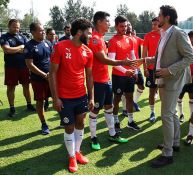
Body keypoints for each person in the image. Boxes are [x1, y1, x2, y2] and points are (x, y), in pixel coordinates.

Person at [150, 5, 193, 168]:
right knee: (172, 113)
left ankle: (167, 153)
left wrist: (169, 70)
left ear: (167, 17)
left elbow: (190, 57)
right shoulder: (164, 33)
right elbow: (163, 55)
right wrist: (151, 60)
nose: (157, 18)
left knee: (167, 115)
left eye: (159, 15)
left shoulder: (178, 32)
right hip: (164, 79)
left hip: (173, 79)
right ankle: (174, 142)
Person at [49, 18, 94, 173]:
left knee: (80, 123)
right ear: (80, 32)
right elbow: (52, 73)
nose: (90, 36)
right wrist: (55, 98)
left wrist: (91, 97)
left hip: (81, 95)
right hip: (65, 97)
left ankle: (77, 152)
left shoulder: (88, 51)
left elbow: (89, 76)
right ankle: (71, 156)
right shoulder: (60, 46)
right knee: (69, 127)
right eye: (88, 33)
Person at [87, 11, 132, 150]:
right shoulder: (95, 39)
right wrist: (122, 62)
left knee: (109, 107)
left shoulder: (100, 38)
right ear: (99, 22)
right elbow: (103, 59)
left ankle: (112, 134)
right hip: (98, 81)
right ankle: (93, 137)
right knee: (95, 110)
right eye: (107, 21)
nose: (109, 24)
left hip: (106, 80)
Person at [108, 15, 141, 132]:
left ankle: (130, 121)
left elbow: (133, 56)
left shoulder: (130, 39)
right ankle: (116, 121)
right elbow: (112, 61)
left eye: (126, 26)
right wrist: (125, 71)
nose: (124, 28)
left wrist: (135, 71)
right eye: (121, 26)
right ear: (116, 26)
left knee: (130, 98)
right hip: (118, 75)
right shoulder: (113, 41)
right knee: (116, 99)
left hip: (130, 75)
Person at [0, 19, 35, 117]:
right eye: (14, 27)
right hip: (11, 67)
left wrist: (16, 49)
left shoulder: (23, 36)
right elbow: (6, 50)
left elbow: (27, 49)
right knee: (11, 88)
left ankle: (29, 105)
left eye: (18, 27)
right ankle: (12, 108)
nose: (16, 29)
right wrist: (20, 47)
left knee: (26, 86)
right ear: (9, 26)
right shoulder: (4, 37)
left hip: (24, 66)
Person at [24, 22, 52, 135]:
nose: (43, 32)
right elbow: (30, 65)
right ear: (33, 32)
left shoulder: (48, 43)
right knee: (40, 101)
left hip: (51, 77)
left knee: (57, 97)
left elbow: (52, 59)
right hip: (38, 79)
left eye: (43, 30)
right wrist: (44, 75)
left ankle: (63, 120)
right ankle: (44, 124)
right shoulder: (29, 46)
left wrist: (52, 73)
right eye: (40, 30)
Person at [177, 30, 193, 124]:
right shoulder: (181, 48)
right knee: (179, 97)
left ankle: (192, 117)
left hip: (191, 78)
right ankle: (181, 114)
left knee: (192, 98)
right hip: (181, 78)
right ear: (190, 38)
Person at [121, 21, 144, 114]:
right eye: (126, 25)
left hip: (136, 67)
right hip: (126, 67)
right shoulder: (122, 39)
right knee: (124, 91)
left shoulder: (136, 38)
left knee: (141, 86)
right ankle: (124, 109)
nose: (128, 27)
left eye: (129, 24)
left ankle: (134, 102)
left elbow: (147, 43)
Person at [142, 17, 161, 122]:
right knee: (151, 92)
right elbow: (144, 54)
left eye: (156, 24)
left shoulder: (165, 35)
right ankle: (152, 112)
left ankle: (167, 112)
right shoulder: (148, 36)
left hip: (163, 69)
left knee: (165, 92)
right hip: (151, 69)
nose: (153, 26)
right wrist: (145, 68)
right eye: (152, 24)